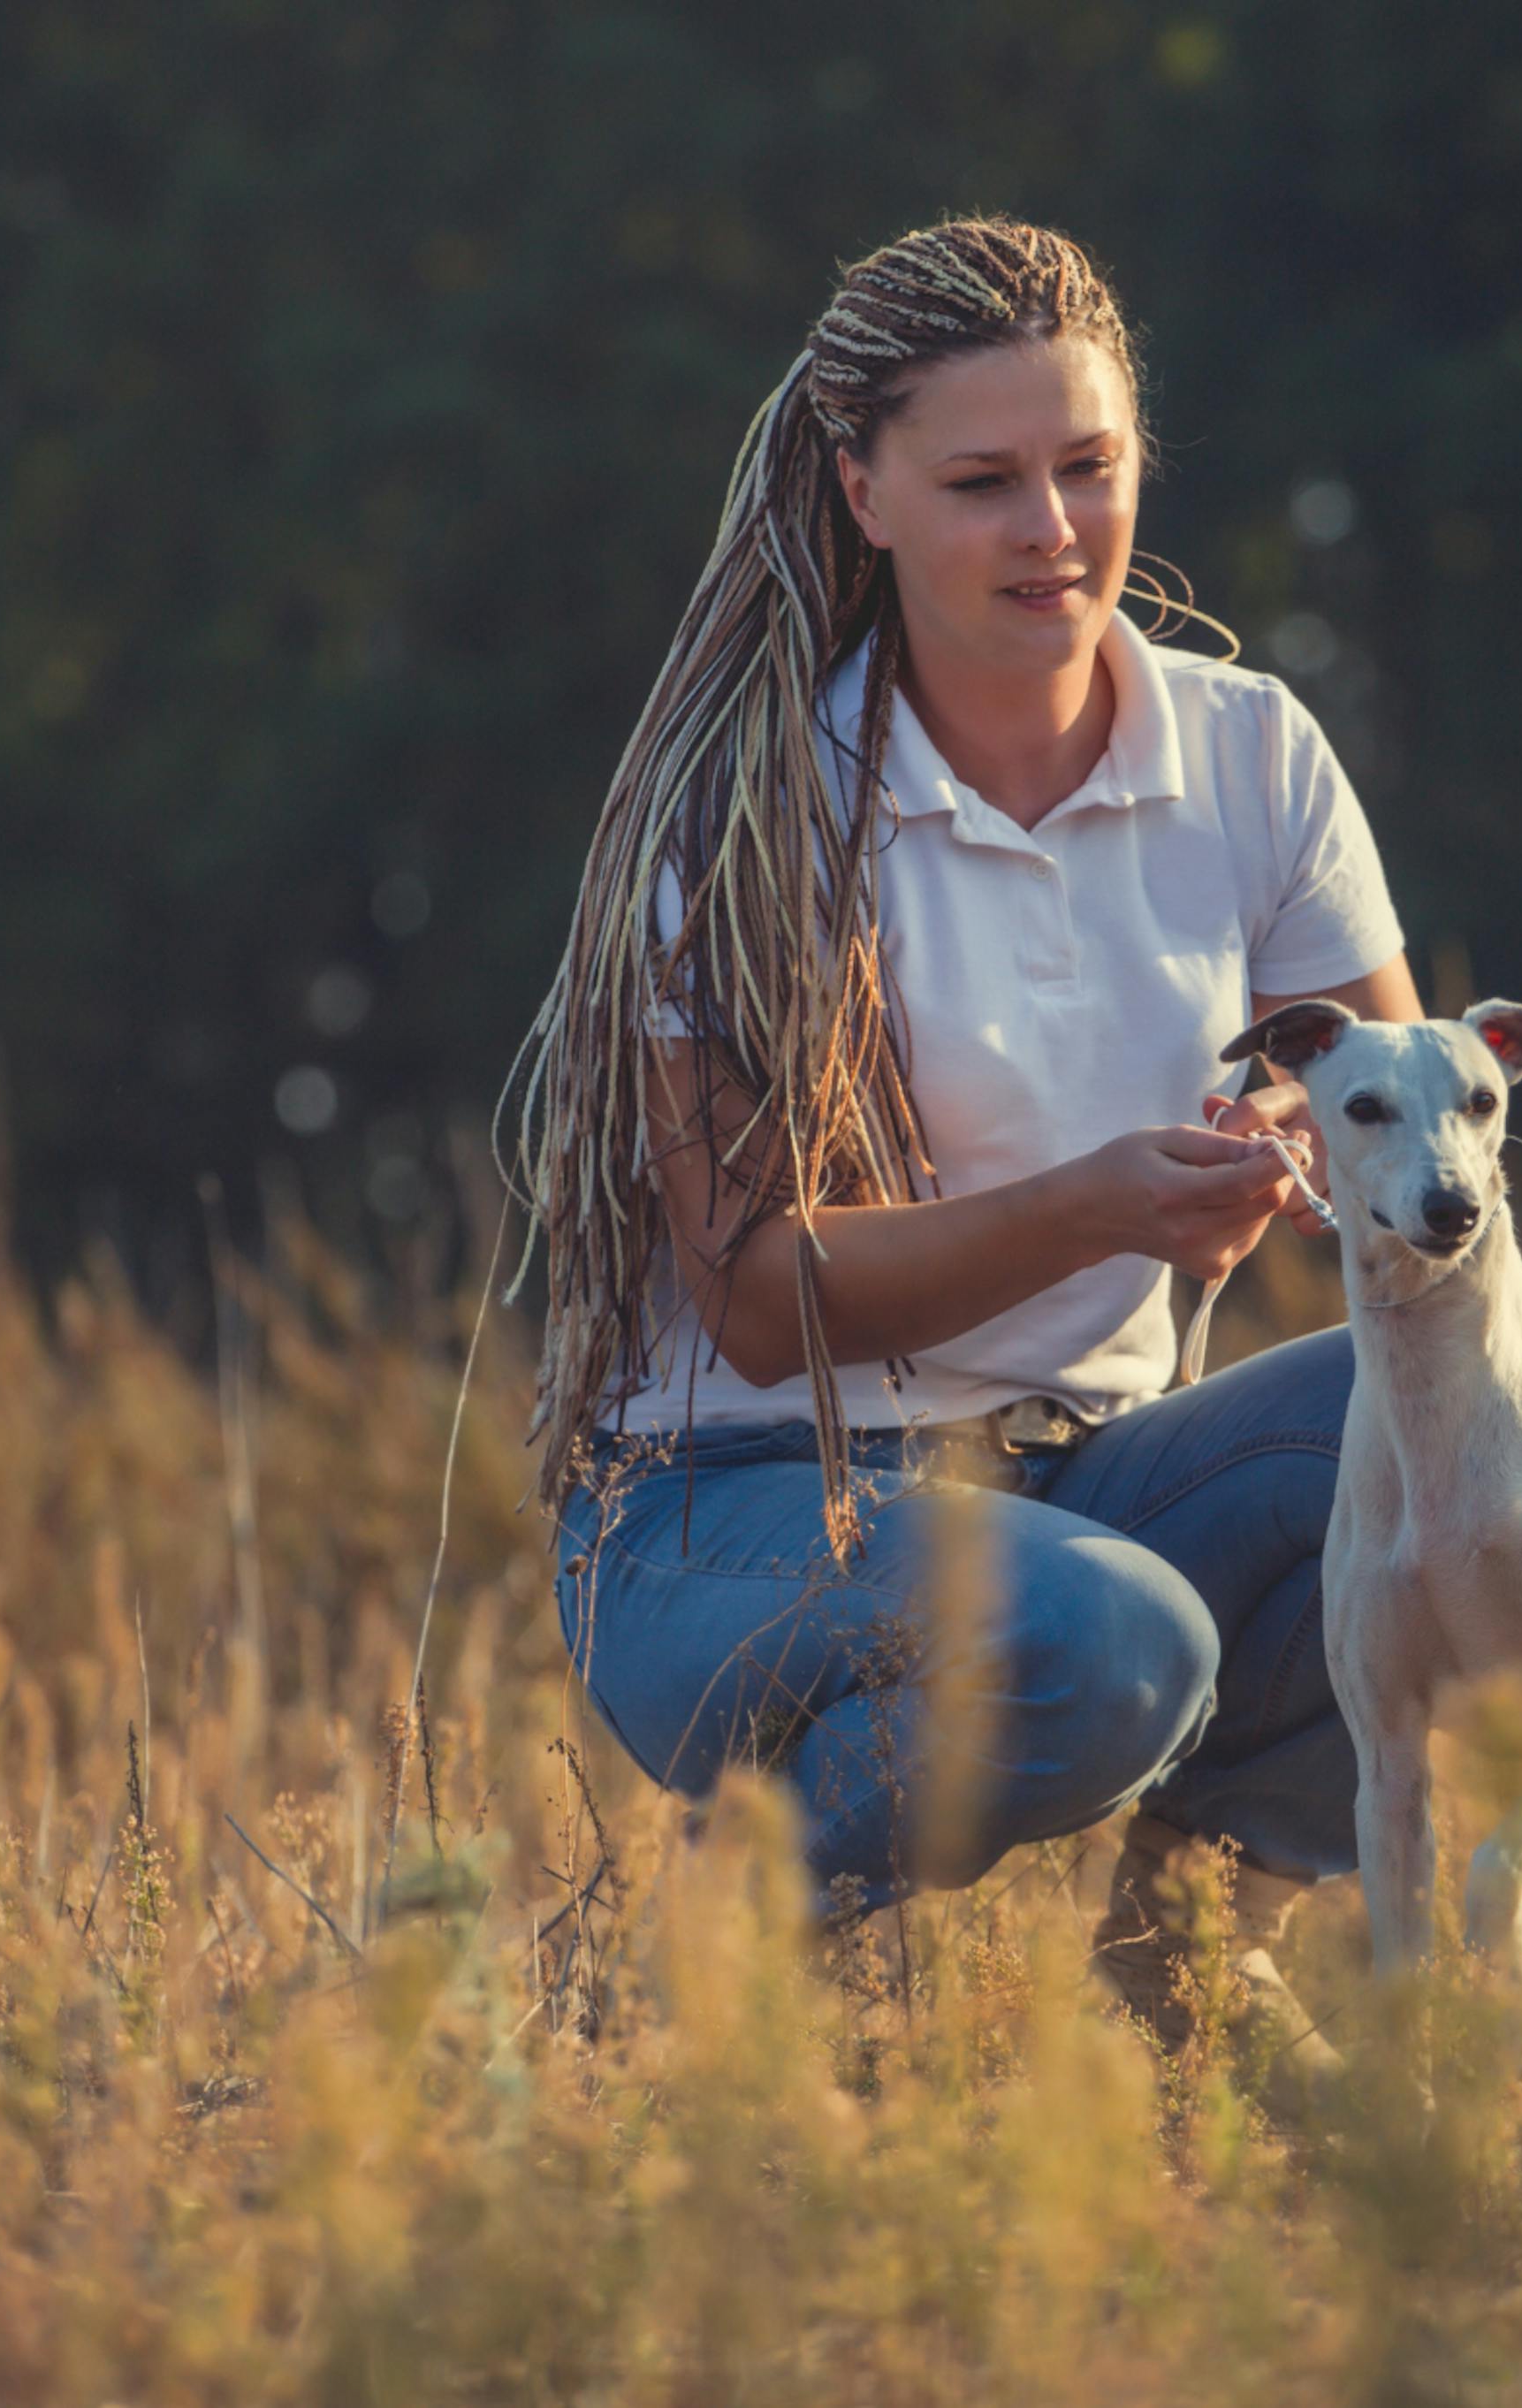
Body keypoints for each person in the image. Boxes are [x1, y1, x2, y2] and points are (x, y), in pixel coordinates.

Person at [498, 217, 1418, 2084]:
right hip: (728, 1510)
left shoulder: (1254, 753)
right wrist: (1097, 1207)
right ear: (862, 491)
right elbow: (758, 1303)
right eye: (983, 481)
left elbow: (1407, 1137)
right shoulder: (749, 815)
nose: (1054, 531)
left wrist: (1289, 1144)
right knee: (1116, 1642)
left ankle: (1193, 1963)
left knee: (1470, 1421)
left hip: (1079, 1473)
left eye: (1090, 469)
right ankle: (702, 1957)